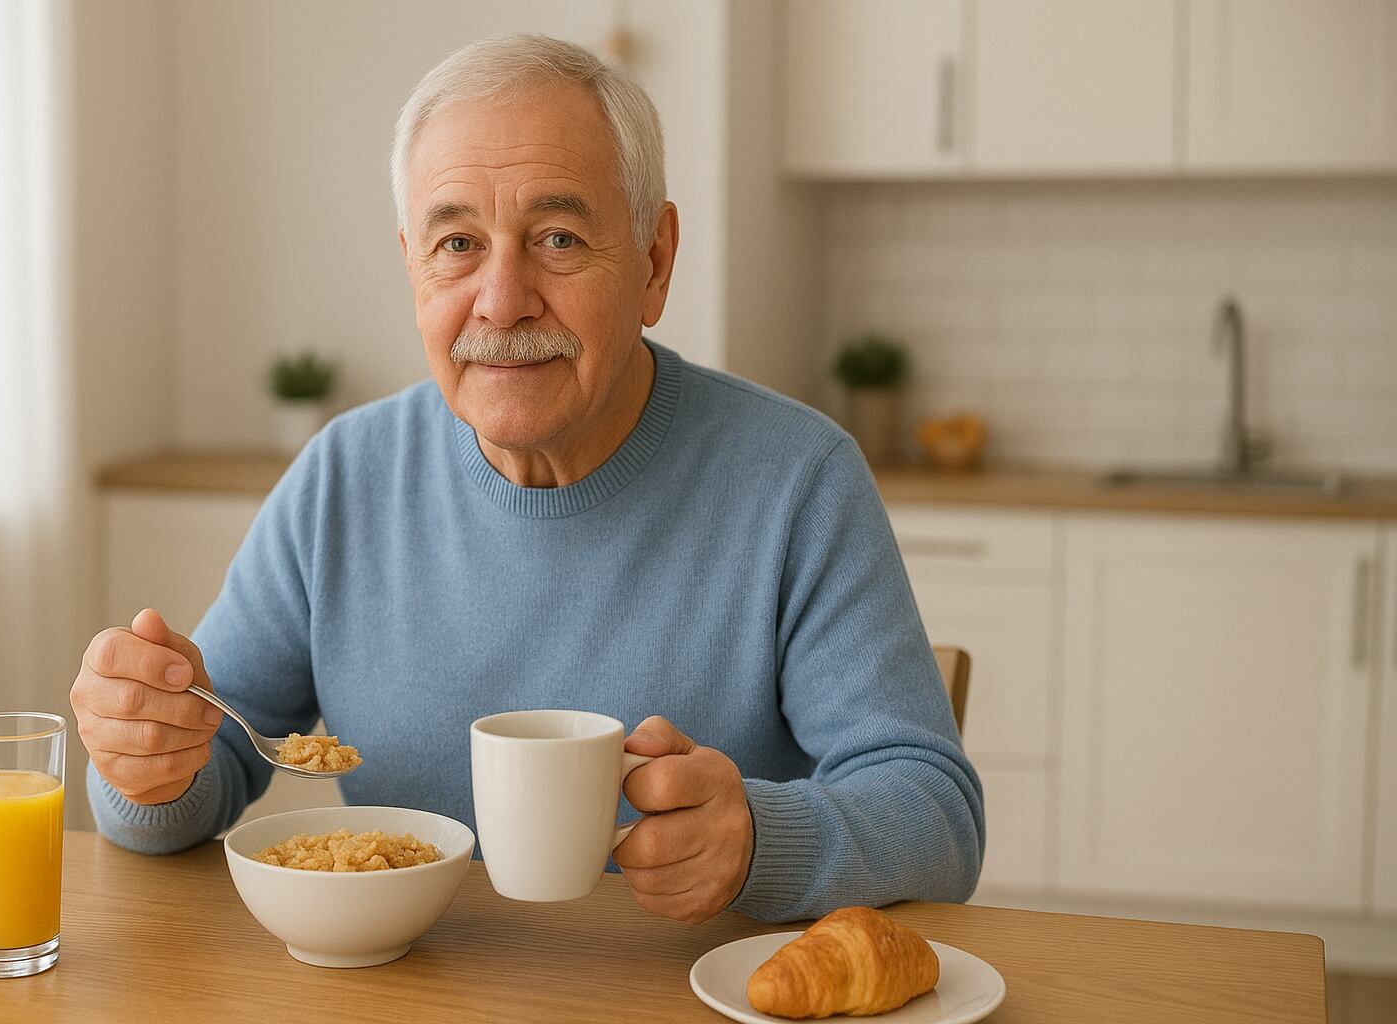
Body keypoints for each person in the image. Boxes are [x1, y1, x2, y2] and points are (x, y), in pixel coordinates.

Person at [70, 33, 983, 925]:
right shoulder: (343, 480)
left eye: (557, 237)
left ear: (655, 262)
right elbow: (207, 765)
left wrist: (758, 841)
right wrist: (145, 762)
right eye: (457, 244)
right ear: (413, 268)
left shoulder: (798, 480)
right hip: (404, 992)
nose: (502, 302)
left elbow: (936, 814)